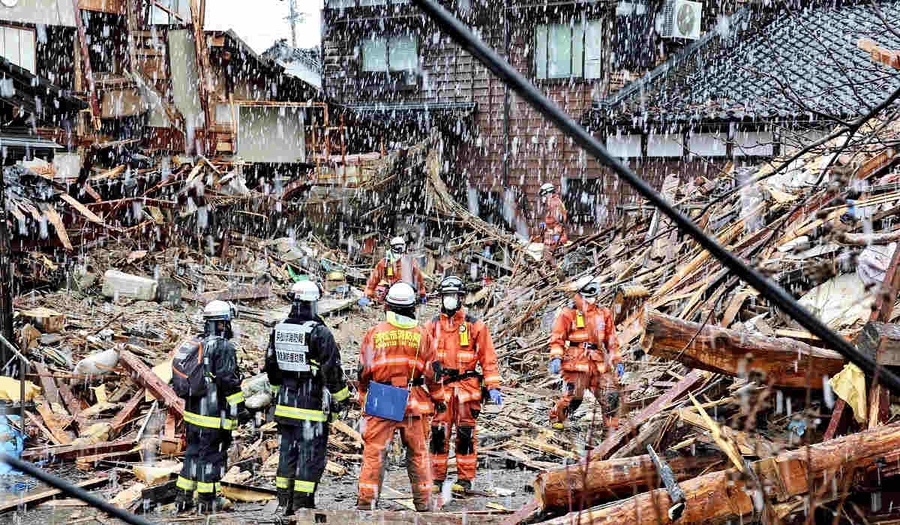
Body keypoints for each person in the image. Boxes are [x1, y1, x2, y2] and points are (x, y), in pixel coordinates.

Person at [265, 280, 350, 515]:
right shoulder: (319, 332)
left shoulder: (279, 328)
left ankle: (284, 503)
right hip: (310, 407)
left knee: (287, 454)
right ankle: (303, 505)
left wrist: (276, 392)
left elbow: (270, 366)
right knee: (310, 457)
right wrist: (341, 398)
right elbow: (331, 369)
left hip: (285, 404)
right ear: (314, 303)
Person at [357, 282, 438, 511]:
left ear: (388, 306)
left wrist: (364, 394)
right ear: (413, 307)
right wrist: (438, 400)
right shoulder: (422, 335)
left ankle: (366, 503)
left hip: (382, 397)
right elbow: (433, 374)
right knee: (418, 455)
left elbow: (363, 370)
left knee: (375, 454)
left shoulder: (375, 333)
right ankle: (423, 504)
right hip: (414, 399)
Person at [427, 276, 502, 493]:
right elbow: (421, 356)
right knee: (439, 434)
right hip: (441, 389)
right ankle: (436, 479)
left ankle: (465, 479)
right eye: (446, 296)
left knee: (465, 435)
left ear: (461, 298)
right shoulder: (432, 326)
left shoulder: (474, 326)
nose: (450, 300)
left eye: (454, 296)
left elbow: (488, 358)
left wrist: (493, 385)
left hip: (467, 389)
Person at [173, 300, 244, 514]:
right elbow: (228, 382)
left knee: (193, 454)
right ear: (223, 323)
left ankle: (183, 498)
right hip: (213, 416)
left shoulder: (198, 343)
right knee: (212, 457)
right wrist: (240, 408)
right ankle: (207, 501)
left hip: (193, 414)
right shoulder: (223, 347)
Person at [548, 278, 623, 430]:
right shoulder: (568, 314)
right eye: (587, 294)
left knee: (611, 396)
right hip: (576, 362)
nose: (591, 298)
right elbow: (557, 338)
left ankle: (611, 430)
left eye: (593, 293)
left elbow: (612, 340)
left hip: (598, 363)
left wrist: (617, 360)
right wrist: (556, 357)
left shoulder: (604, 314)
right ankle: (556, 420)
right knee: (574, 398)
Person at [361, 236, 427, 305]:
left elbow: (419, 279)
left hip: (407, 294)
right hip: (392, 295)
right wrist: (367, 295)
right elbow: (373, 280)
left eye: (401, 247)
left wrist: (422, 294)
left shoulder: (410, 262)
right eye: (397, 247)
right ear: (391, 248)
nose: (399, 250)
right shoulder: (385, 263)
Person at [538, 183, 569, 260]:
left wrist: (553, 233)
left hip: (555, 237)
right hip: (554, 236)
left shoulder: (554, 203)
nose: (543, 198)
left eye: (544, 195)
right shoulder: (554, 201)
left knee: (550, 258)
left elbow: (559, 220)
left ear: (548, 193)